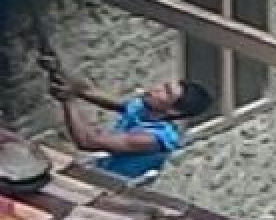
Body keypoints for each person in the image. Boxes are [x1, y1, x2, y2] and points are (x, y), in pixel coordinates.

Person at [49, 76, 212, 182]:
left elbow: (87, 142)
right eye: (163, 85)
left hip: (113, 187)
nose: (156, 88)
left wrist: (68, 101)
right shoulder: (144, 108)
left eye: (166, 92)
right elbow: (110, 101)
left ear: (173, 111)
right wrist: (66, 79)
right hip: (102, 169)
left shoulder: (152, 139)